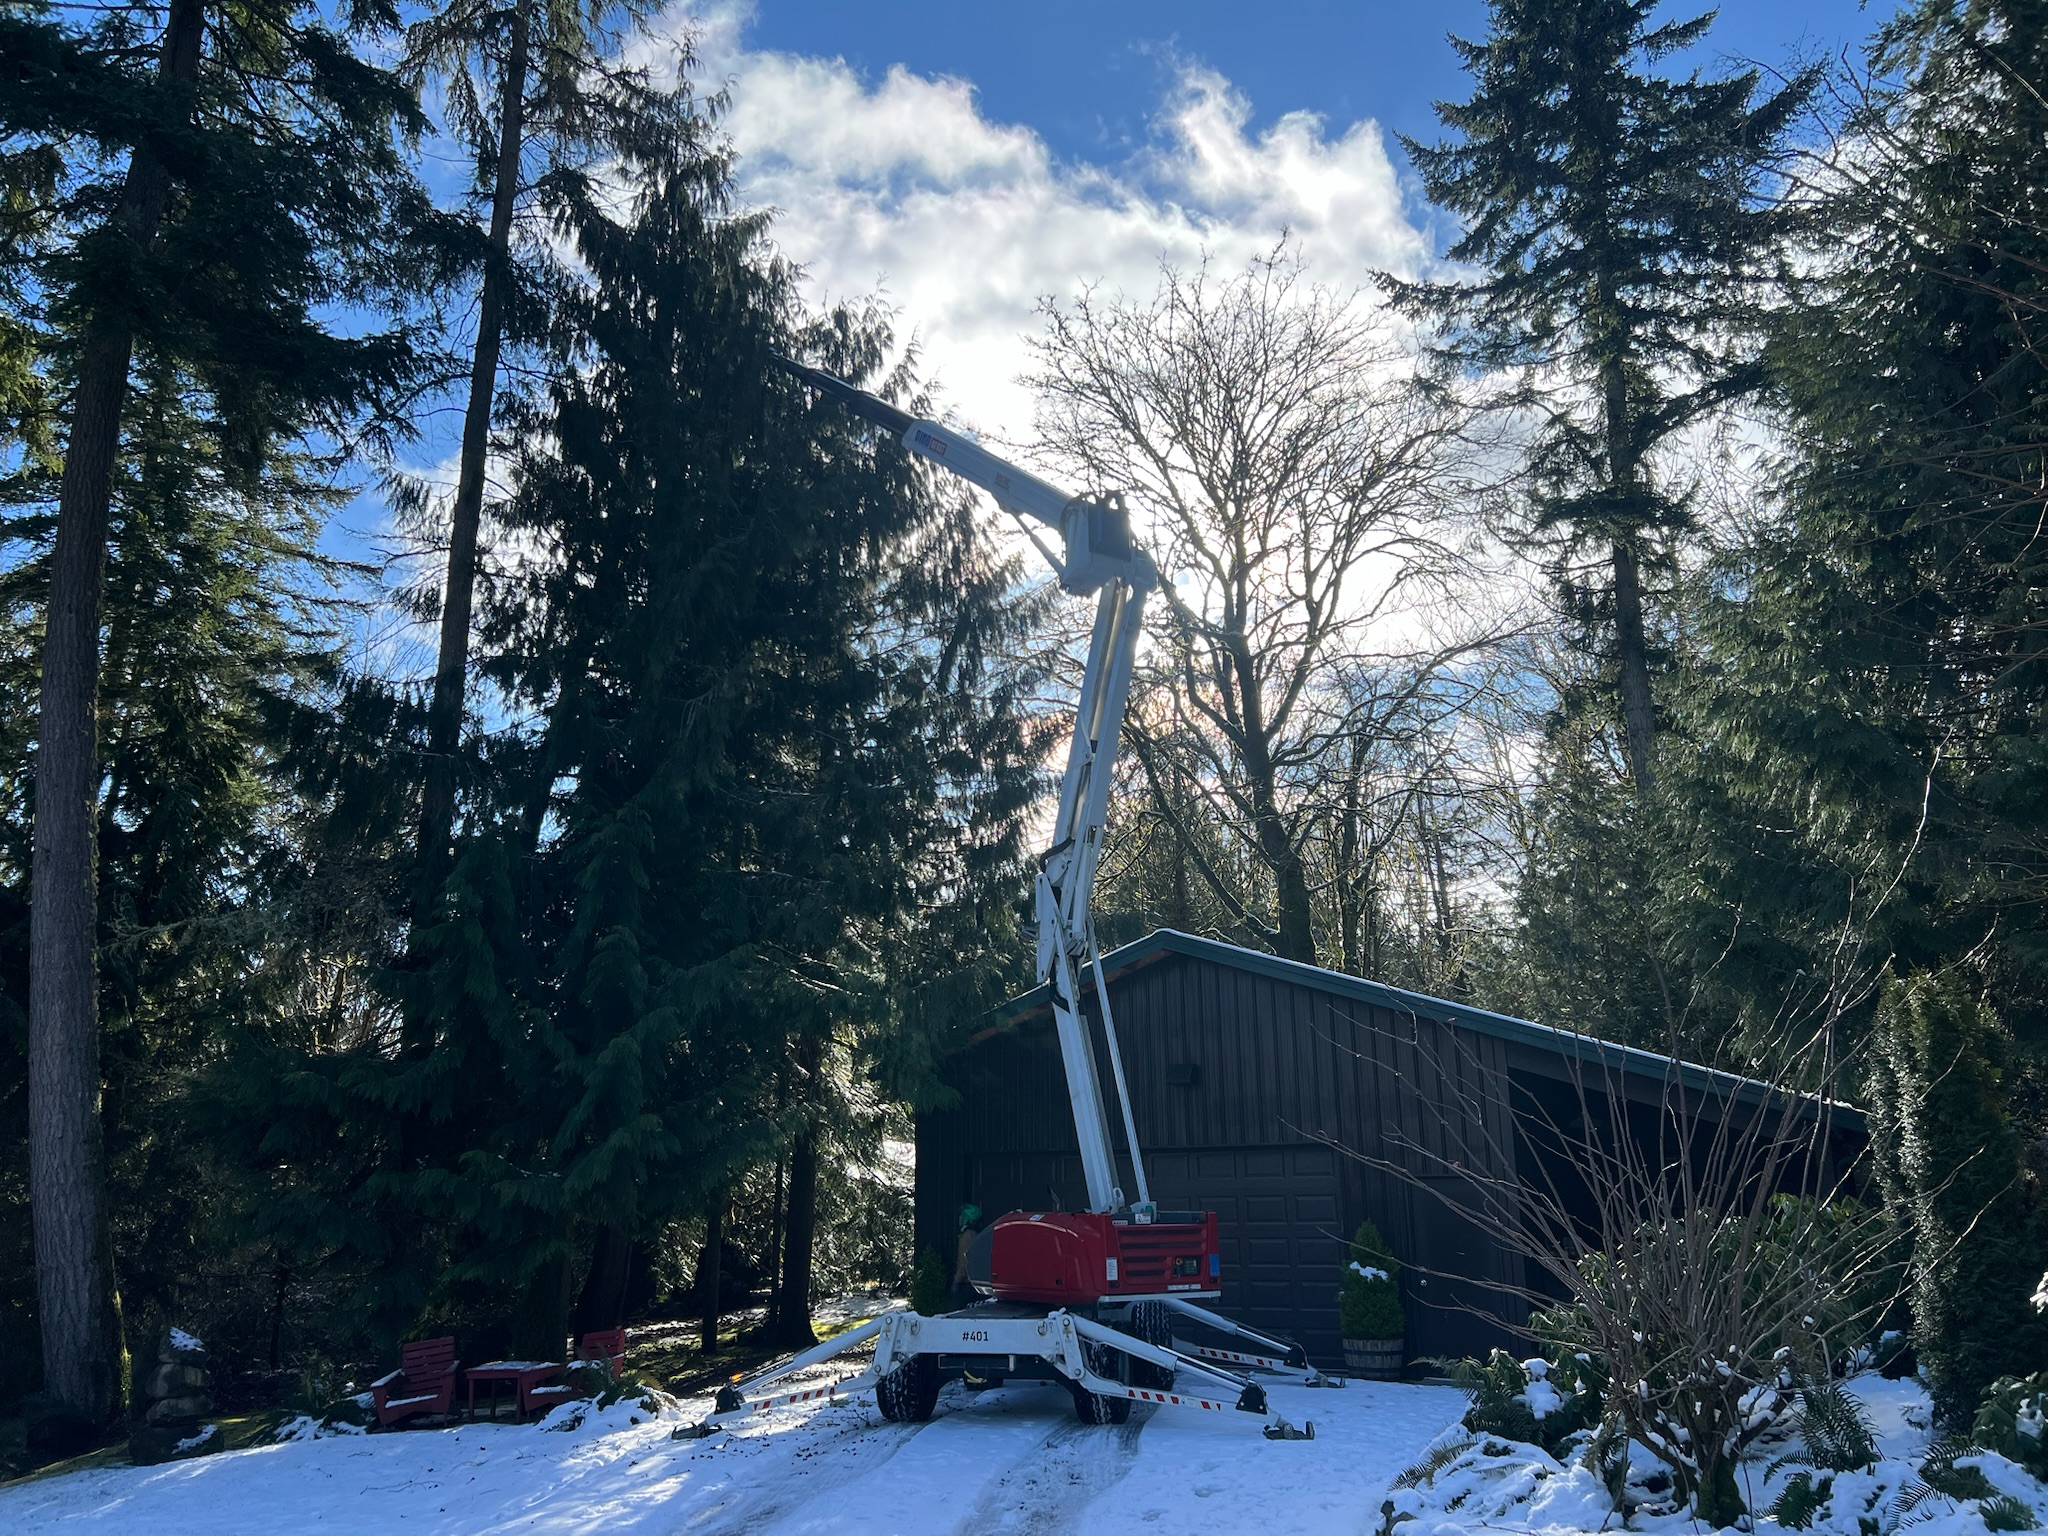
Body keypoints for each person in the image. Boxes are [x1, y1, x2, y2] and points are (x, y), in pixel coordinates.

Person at [951, 1203, 983, 1308]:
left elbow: (964, 1260)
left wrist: (957, 1280)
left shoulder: (967, 1236)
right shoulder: (976, 1234)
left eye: (962, 1215)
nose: (960, 1218)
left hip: (966, 1285)